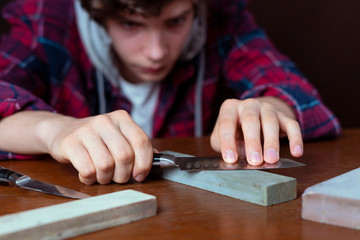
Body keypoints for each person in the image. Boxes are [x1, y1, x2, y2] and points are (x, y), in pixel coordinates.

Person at [0, 0, 341, 185]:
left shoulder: (222, 13)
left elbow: (290, 87)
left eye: (176, 21)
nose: (156, 51)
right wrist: (54, 129)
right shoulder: (43, 15)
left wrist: (267, 107)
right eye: (131, 24)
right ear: (97, 12)